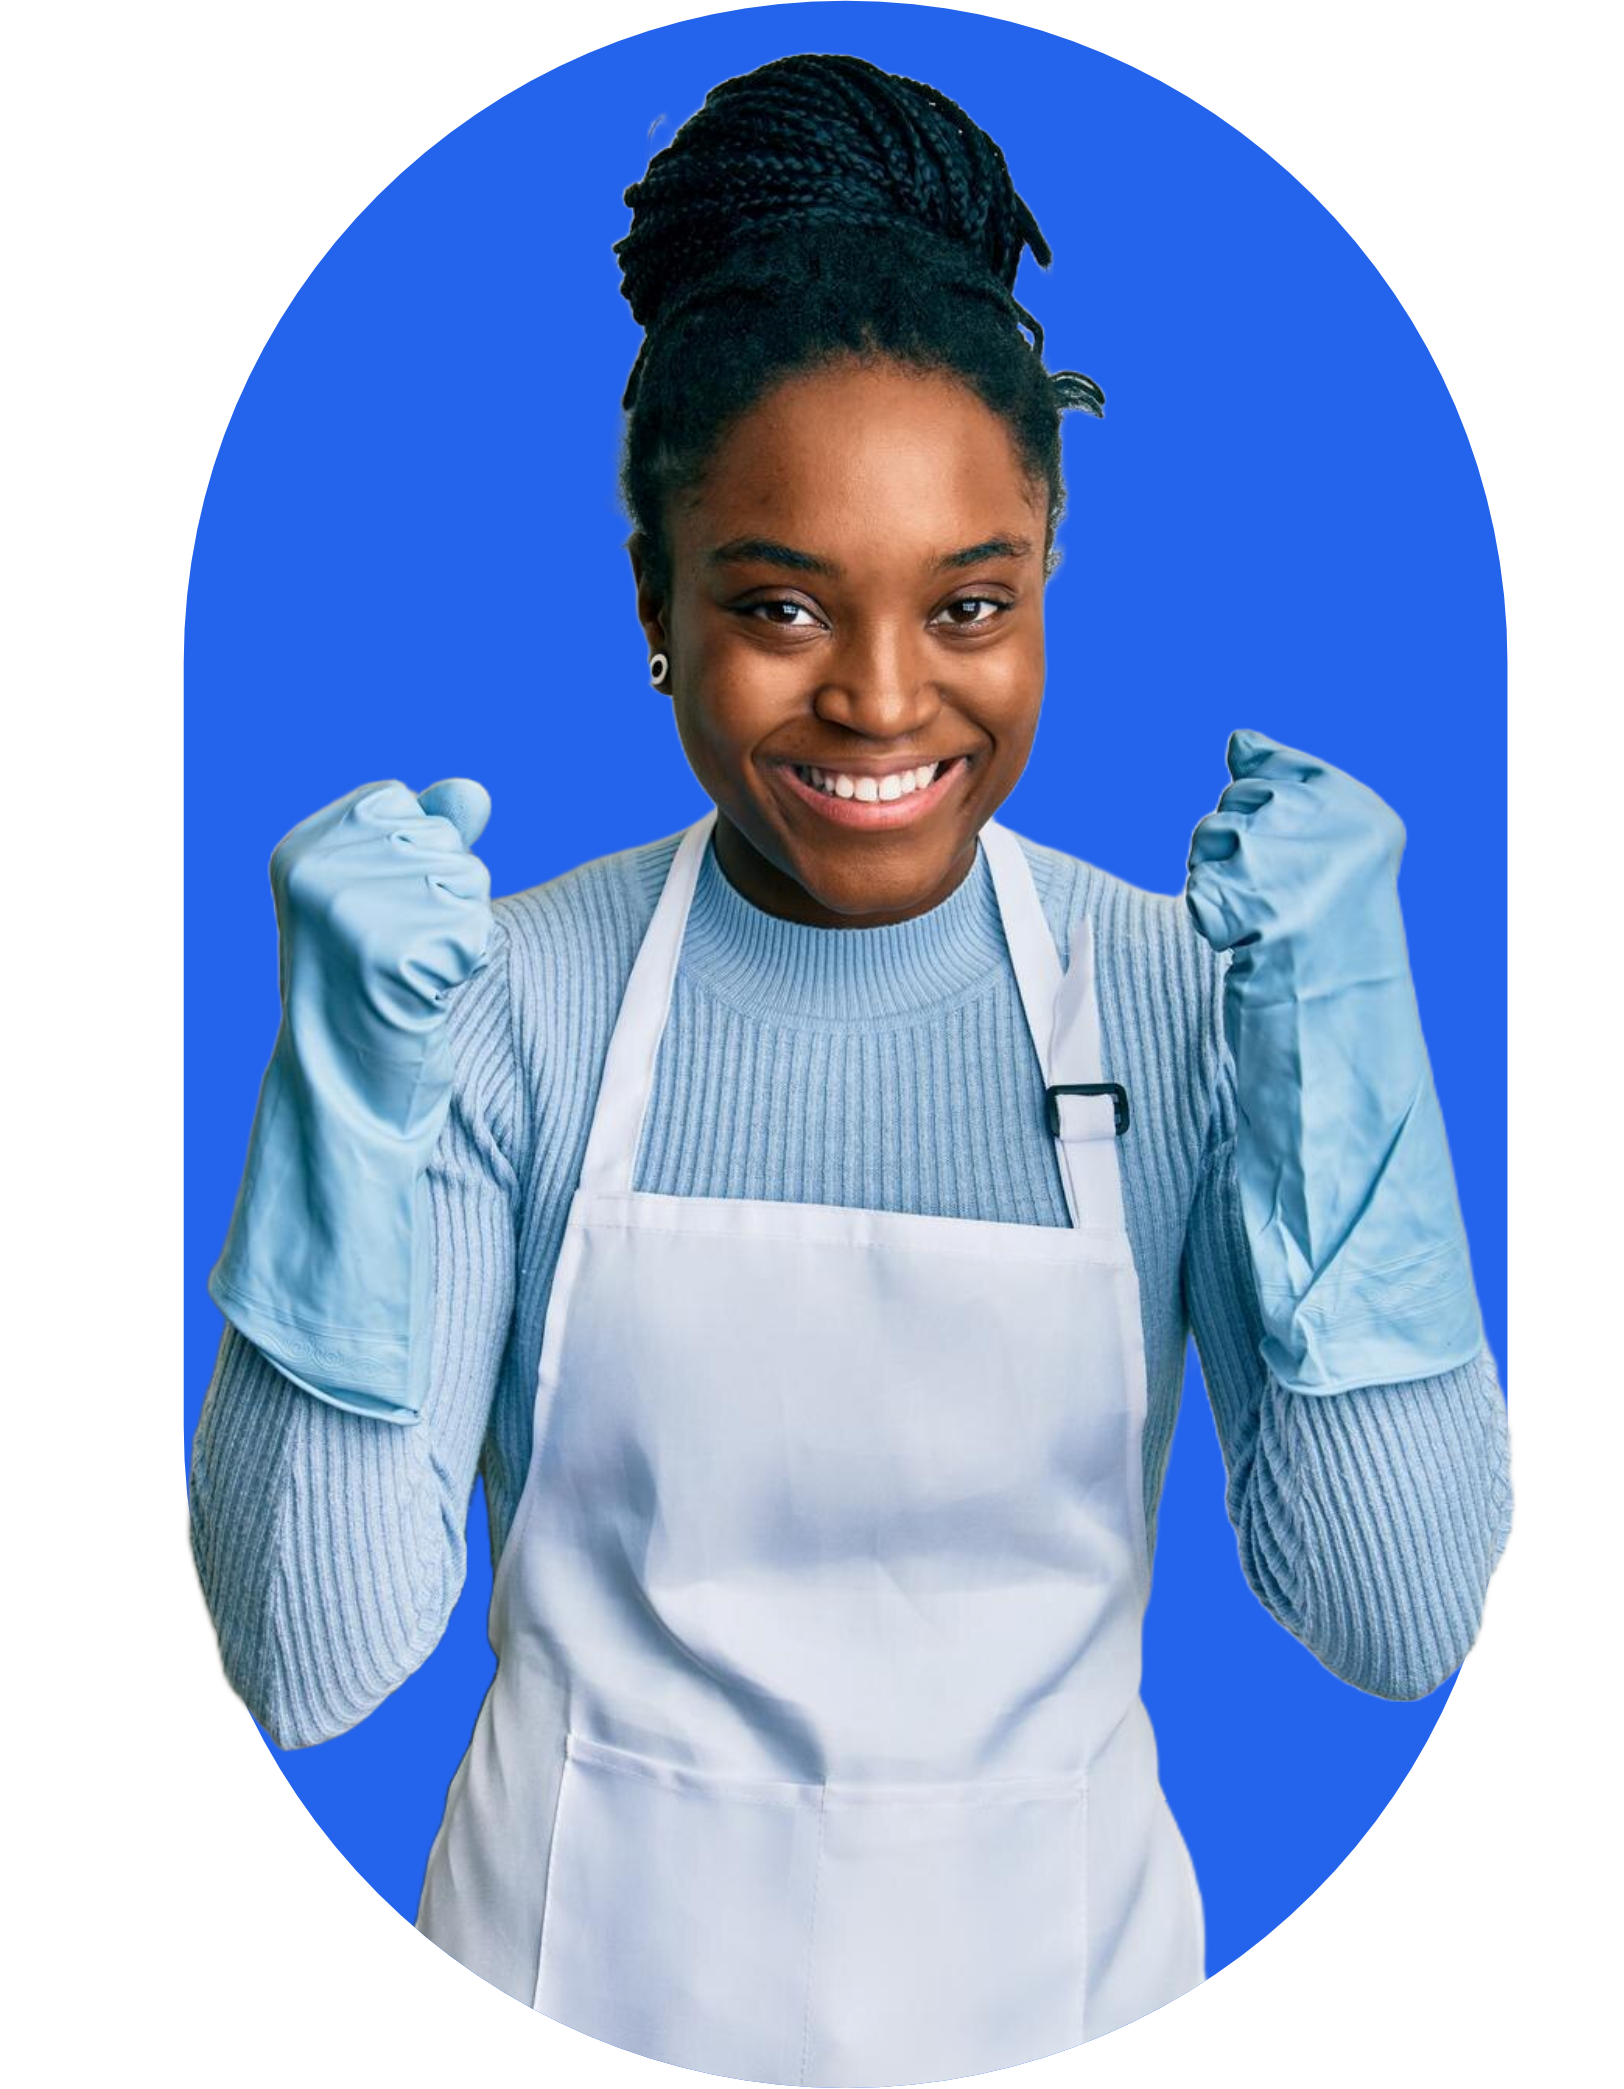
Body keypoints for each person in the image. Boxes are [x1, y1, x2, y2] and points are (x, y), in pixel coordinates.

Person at [185, 51, 1517, 2087]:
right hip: (556, 2004)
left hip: (1070, 2017)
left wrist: (1342, 1057)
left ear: (1047, 572)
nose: (881, 700)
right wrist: (347, 1100)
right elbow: (307, 1663)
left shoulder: (1188, 995)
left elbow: (1393, 1616)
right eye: (777, 605)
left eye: (966, 604)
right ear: (652, 603)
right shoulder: (500, 1006)